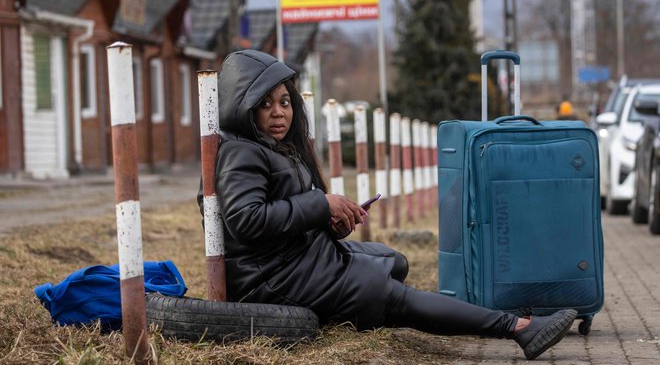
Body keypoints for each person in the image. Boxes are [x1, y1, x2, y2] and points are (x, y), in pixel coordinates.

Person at [199, 50, 577, 361]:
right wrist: (321, 204)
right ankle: (519, 328)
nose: (278, 112)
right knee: (395, 295)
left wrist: (332, 223)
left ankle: (366, 297)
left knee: (395, 261)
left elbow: (288, 213)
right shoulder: (241, 153)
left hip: (302, 257)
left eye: (284, 102)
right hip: (275, 278)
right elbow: (246, 221)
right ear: (243, 107)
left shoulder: (275, 147)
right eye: (265, 104)